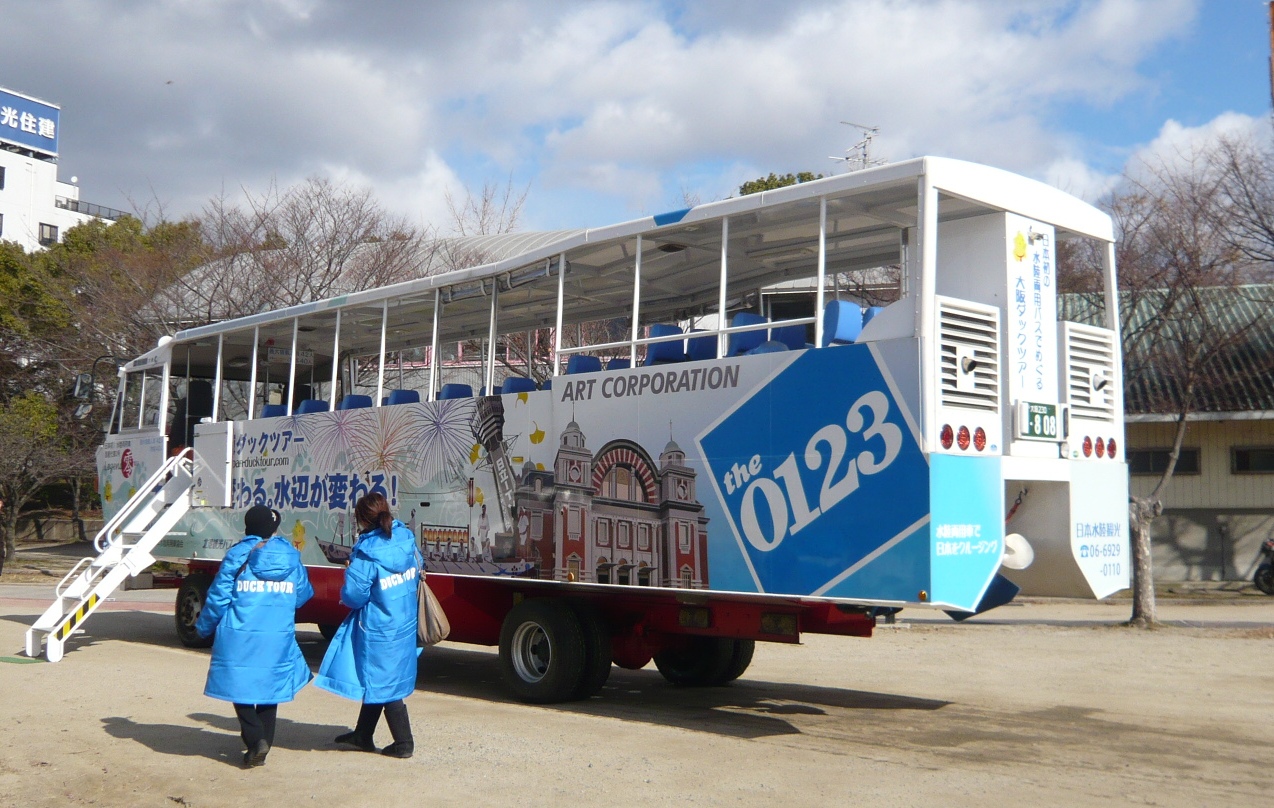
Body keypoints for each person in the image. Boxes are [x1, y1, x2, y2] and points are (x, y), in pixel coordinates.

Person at [195, 505, 314, 768]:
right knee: (270, 690)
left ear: (247, 526)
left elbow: (217, 598)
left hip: (240, 633)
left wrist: (203, 628)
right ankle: (263, 745)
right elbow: (304, 595)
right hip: (277, 633)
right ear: (274, 528)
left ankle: (255, 739)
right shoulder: (291, 557)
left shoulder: (238, 554)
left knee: (239, 686)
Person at [315, 492, 419, 758]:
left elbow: (353, 596)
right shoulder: (406, 539)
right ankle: (363, 734)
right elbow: (420, 567)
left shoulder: (367, 552)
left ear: (361, 520)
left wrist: (350, 571)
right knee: (380, 678)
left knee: (384, 681)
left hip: (378, 628)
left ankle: (404, 743)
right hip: (404, 620)